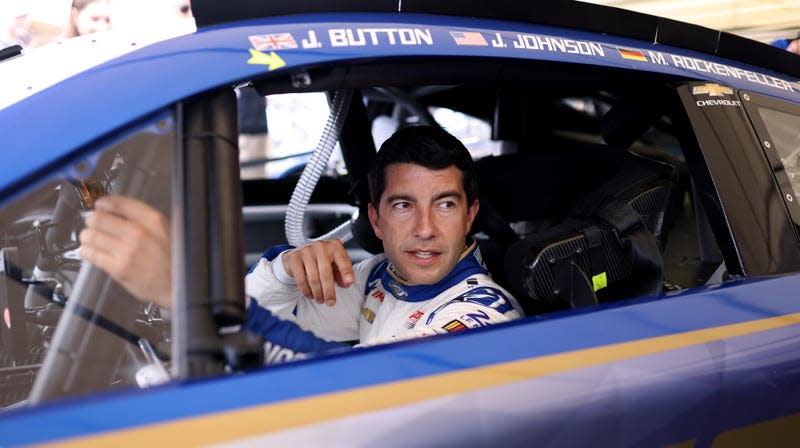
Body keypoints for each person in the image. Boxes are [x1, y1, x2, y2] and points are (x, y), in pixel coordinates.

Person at [79, 125, 523, 362]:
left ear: (470, 216)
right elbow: (275, 333)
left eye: (444, 205)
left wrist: (185, 293)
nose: (425, 228)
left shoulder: (483, 316)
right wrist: (284, 270)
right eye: (404, 206)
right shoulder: (381, 276)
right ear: (376, 220)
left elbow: (360, 384)